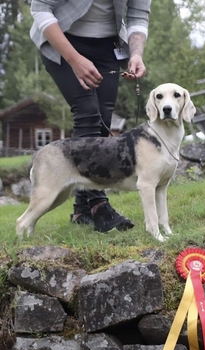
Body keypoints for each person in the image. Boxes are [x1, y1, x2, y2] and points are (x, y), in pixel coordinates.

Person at [29, 0, 152, 233]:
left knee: (104, 120)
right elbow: (40, 8)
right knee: (87, 113)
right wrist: (74, 60)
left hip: (107, 45)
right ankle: (98, 204)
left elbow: (138, 14)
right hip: (62, 38)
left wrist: (136, 54)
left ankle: (81, 211)